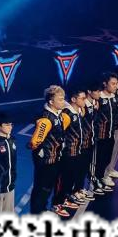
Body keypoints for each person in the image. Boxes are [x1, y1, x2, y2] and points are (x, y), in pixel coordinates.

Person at [31, 85, 71, 217]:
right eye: (60, 99)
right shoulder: (46, 119)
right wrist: (43, 153)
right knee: (42, 189)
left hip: (55, 158)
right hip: (46, 161)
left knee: (48, 188)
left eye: (63, 98)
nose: (63, 102)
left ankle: (41, 210)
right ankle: (38, 214)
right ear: (51, 102)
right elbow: (35, 142)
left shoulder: (58, 114)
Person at [89, 74, 118, 195]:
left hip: (110, 134)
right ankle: (93, 182)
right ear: (105, 84)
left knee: (106, 158)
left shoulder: (114, 97)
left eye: (116, 84)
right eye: (113, 83)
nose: (115, 86)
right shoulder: (98, 98)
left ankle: (101, 178)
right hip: (99, 136)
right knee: (97, 160)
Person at [0, 113, 17, 212]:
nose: (10, 127)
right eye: (7, 125)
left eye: (11, 124)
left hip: (10, 184)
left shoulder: (12, 140)